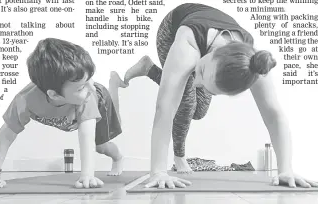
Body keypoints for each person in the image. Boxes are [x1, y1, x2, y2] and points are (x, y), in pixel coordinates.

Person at [124, 3, 318, 188]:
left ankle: (150, 70)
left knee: (199, 111)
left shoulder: (253, 64)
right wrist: (157, 171)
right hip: (176, 24)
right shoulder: (187, 47)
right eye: (200, 72)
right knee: (184, 99)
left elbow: (274, 116)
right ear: (212, 55)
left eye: (209, 89)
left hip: (210, 39)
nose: (197, 82)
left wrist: (286, 169)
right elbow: (164, 108)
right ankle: (179, 155)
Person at [0, 38, 128, 190]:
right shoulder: (25, 101)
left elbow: (86, 136)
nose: (90, 88)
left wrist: (87, 175)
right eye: (81, 87)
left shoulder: (89, 96)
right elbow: (5, 136)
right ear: (53, 95)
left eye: (90, 80)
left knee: (100, 146)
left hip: (101, 100)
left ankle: (118, 157)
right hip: (70, 111)